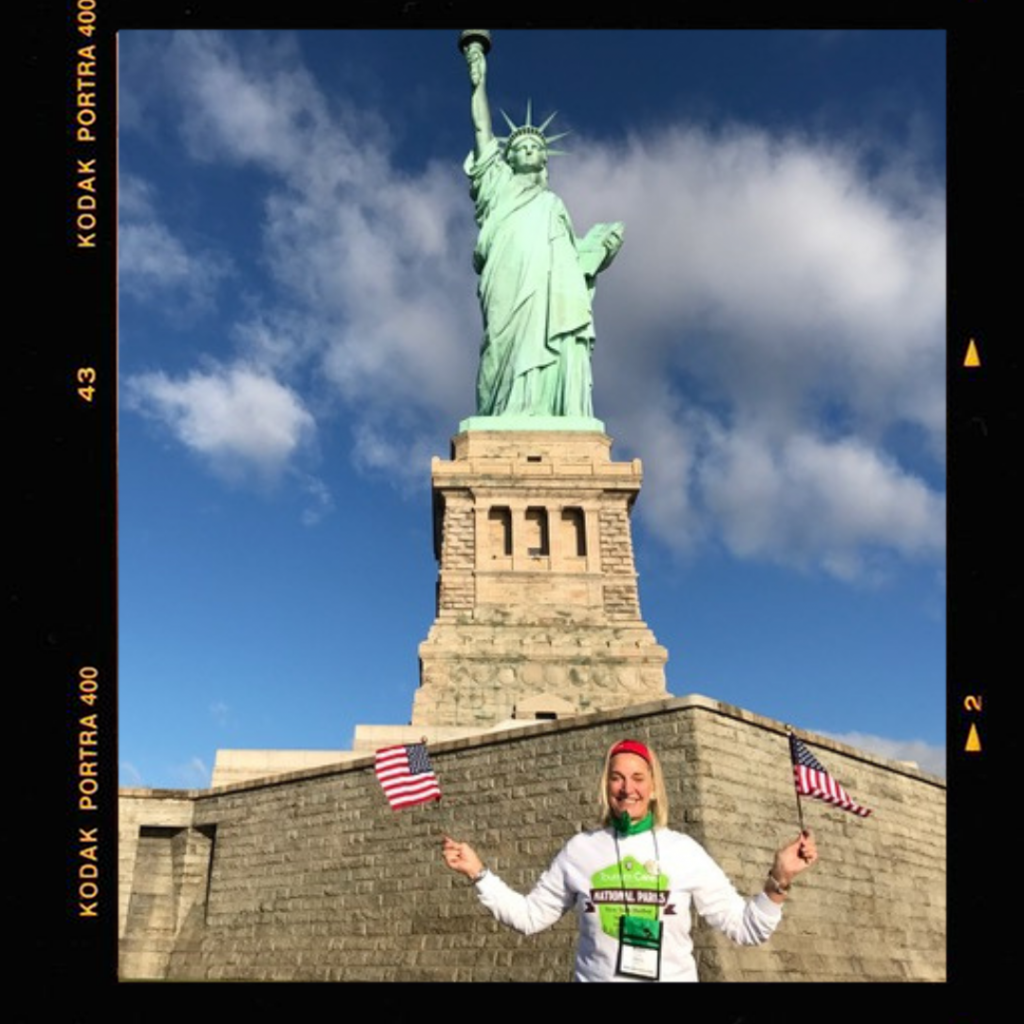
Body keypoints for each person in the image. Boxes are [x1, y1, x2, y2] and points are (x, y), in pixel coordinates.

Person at [442, 738, 818, 982]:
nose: (628, 788)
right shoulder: (580, 849)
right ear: (606, 786)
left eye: (638, 778)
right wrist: (478, 873)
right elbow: (529, 917)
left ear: (653, 788)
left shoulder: (683, 851)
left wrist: (780, 879)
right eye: (617, 778)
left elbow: (745, 927)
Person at [463, 38, 624, 418]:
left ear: (545, 158)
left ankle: (547, 409)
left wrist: (596, 251)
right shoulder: (496, 184)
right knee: (499, 345)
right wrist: (478, 80)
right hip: (508, 273)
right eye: (520, 147)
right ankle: (501, 412)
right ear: (510, 157)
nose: (528, 150)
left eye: (536, 146)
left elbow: (571, 258)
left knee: (550, 334)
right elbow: (482, 129)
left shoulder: (554, 204)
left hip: (551, 287)